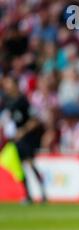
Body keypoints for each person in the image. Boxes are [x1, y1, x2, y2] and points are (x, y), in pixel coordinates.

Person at [2, 76, 47, 204]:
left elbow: (34, 120)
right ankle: (28, 195)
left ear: (15, 85)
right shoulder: (9, 102)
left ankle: (43, 193)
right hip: (15, 139)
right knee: (20, 167)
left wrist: (23, 131)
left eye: (9, 84)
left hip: (26, 138)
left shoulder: (24, 101)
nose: (6, 87)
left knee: (31, 165)